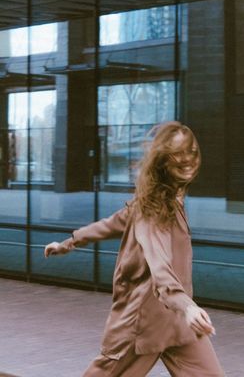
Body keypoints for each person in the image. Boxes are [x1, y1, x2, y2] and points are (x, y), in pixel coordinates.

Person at [44, 121, 225, 377]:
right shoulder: (153, 211)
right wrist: (187, 306)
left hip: (178, 323)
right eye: (177, 153)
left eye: (192, 152)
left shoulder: (163, 200)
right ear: (162, 161)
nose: (187, 160)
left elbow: (110, 224)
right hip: (144, 321)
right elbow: (160, 266)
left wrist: (68, 243)